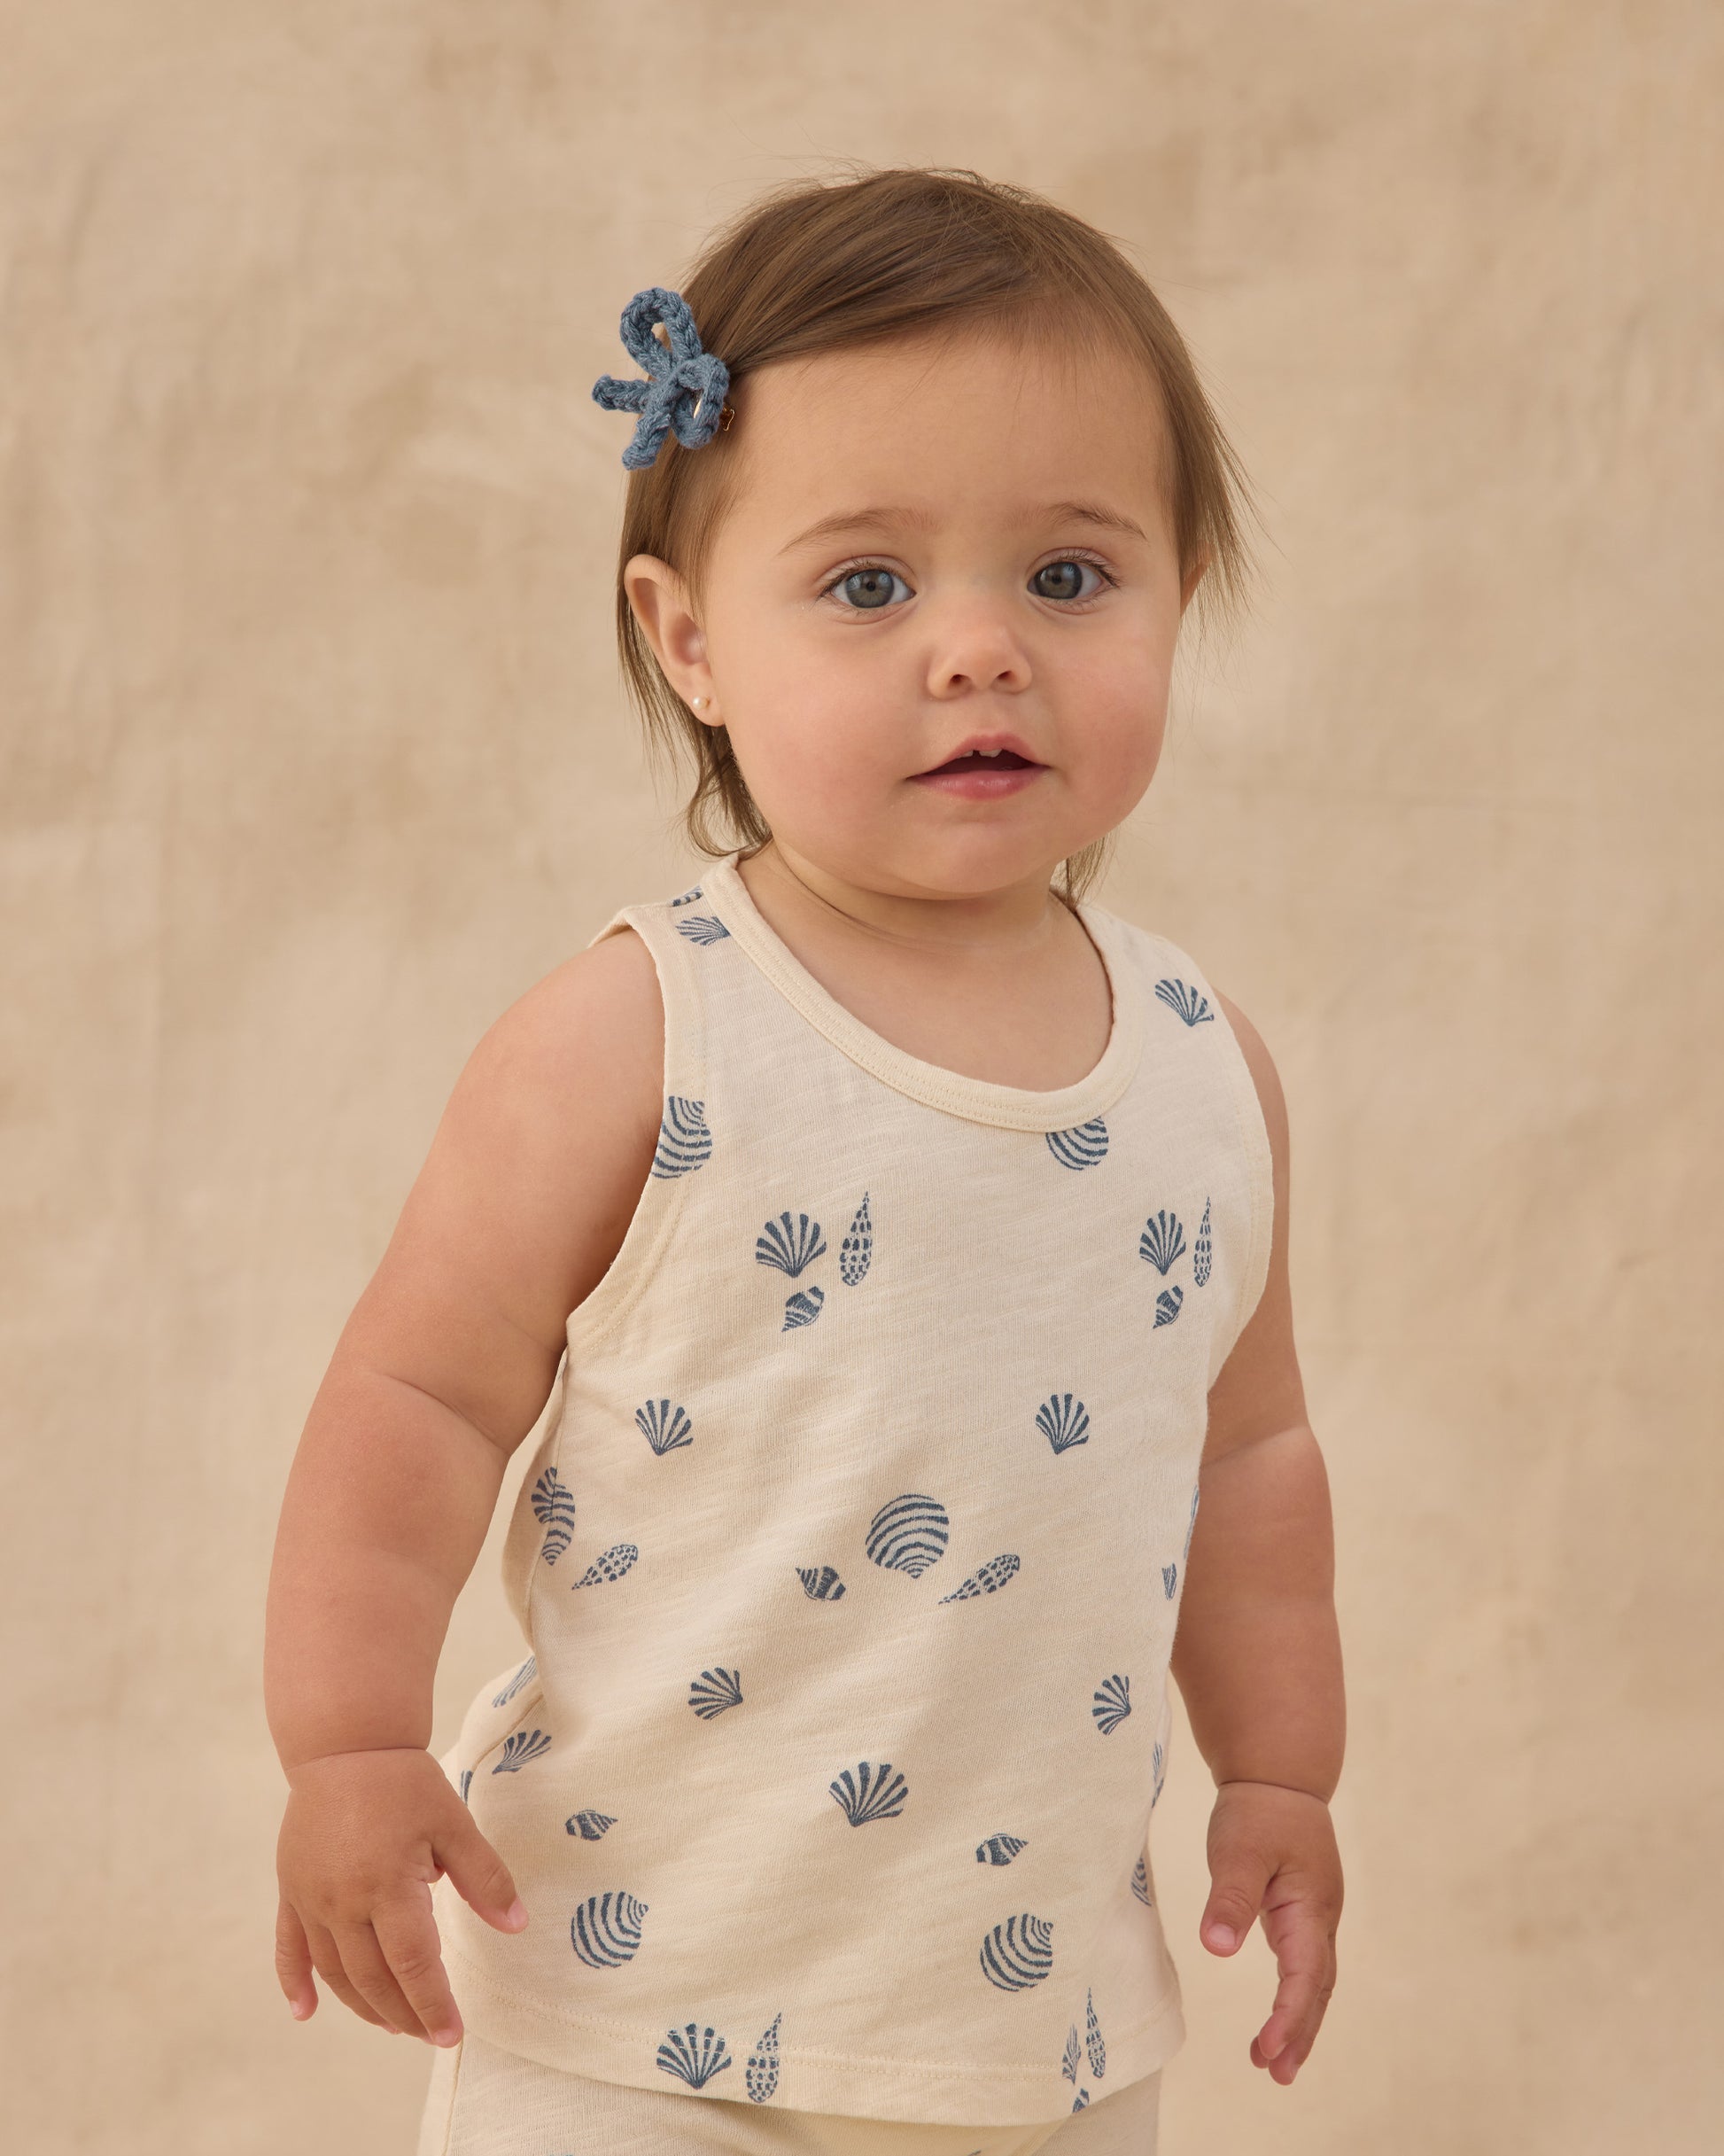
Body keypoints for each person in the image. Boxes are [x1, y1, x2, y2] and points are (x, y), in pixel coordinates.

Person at [265, 164, 1345, 2156]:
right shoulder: (638, 1033)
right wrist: (344, 1740)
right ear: (689, 642)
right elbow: (415, 1396)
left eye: (1069, 576)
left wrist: (1282, 1774)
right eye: (866, 587)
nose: (979, 649)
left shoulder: (1204, 1068)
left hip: (1034, 2027)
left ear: (1177, 593)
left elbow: (1251, 1455)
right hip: (627, 2005)